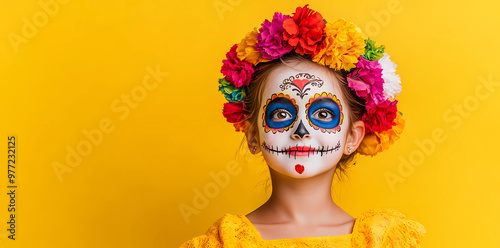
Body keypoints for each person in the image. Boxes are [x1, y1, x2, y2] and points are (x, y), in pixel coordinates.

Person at [181, 4, 425, 247]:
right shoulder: (225, 243)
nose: (301, 131)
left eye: (323, 114)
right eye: (280, 114)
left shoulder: (382, 241)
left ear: (352, 136)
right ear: (253, 134)